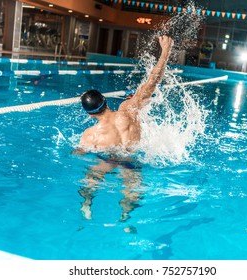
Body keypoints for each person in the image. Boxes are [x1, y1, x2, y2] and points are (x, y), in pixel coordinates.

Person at [74, 36, 173, 224]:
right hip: (131, 160)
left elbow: (80, 153)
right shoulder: (128, 111)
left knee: (91, 180)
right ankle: (125, 217)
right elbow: (152, 82)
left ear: (89, 115)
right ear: (106, 101)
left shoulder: (90, 135)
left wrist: (76, 151)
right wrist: (166, 51)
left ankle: (87, 204)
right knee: (132, 191)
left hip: (108, 159)